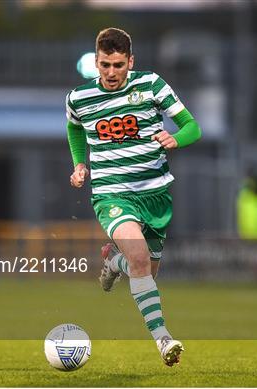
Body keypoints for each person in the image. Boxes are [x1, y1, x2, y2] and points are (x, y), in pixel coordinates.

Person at [65, 28, 201, 366]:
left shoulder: (152, 85)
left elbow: (192, 127)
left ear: (131, 62)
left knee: (146, 273)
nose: (111, 73)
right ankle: (163, 340)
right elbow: (74, 127)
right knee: (140, 259)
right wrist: (80, 164)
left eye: (118, 65)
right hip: (112, 194)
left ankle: (114, 262)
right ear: (96, 62)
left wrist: (176, 139)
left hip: (155, 194)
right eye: (104, 65)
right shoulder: (78, 98)